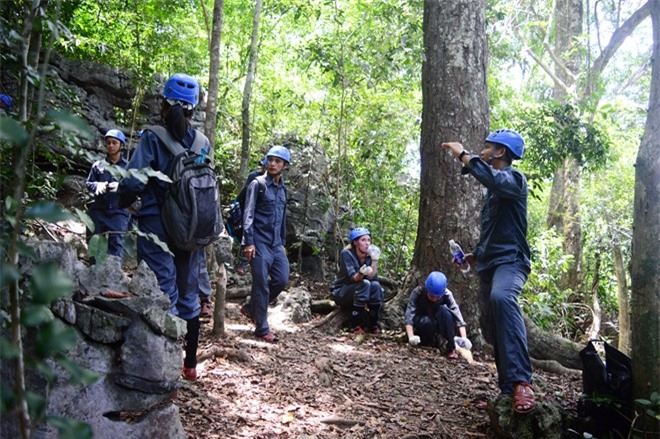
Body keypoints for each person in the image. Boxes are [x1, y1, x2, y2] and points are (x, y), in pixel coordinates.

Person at [118, 73, 209, 381]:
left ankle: (162, 369)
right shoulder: (203, 142)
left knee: (163, 289)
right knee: (188, 292)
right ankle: (190, 365)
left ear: (164, 104)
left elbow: (131, 180)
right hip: (192, 228)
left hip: (157, 222)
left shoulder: (153, 137)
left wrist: (124, 200)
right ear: (193, 108)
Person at [441, 128, 535, 413]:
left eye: (488, 147)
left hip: (511, 262)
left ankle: (522, 383)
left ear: (501, 152)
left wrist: (463, 155)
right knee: (492, 326)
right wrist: (473, 256)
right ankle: (507, 391)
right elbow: (493, 231)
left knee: (502, 299)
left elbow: (491, 177)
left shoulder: (514, 180)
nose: (483, 150)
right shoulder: (494, 194)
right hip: (489, 263)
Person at [240, 146, 291, 343]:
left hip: (276, 245)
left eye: (277, 161)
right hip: (258, 242)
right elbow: (248, 213)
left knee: (281, 278)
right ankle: (262, 328)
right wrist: (249, 242)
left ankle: (251, 307)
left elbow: (283, 218)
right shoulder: (257, 184)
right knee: (260, 283)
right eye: (270, 159)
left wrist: (283, 243)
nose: (272, 163)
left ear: (285, 166)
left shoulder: (282, 188)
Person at [85, 129, 131, 261]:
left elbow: (134, 188)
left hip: (119, 212)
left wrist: (120, 187)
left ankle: (114, 277)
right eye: (108, 143)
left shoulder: (128, 167)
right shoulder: (98, 165)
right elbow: (88, 183)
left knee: (116, 247)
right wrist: (97, 186)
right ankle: (93, 273)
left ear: (121, 145)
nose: (110, 145)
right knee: (94, 245)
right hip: (98, 210)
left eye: (114, 143)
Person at [404, 271, 471, 359]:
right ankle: (433, 341)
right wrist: (411, 337)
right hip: (423, 323)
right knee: (427, 322)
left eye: (438, 297)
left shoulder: (447, 294)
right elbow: (409, 315)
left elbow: (458, 316)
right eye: (432, 296)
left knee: (445, 311)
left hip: (439, 322)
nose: (435, 299)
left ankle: (451, 347)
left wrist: (464, 338)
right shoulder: (418, 292)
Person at [331, 227, 383, 334]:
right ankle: (355, 325)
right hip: (342, 292)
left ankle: (373, 324)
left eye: (369, 240)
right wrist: (361, 273)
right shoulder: (347, 253)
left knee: (376, 286)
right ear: (355, 242)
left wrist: (374, 260)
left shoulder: (369, 255)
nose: (367, 243)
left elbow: (372, 278)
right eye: (363, 240)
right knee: (364, 284)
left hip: (361, 291)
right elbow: (354, 278)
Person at [234, 155, 268, 275]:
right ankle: (243, 264)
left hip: (261, 215)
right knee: (247, 235)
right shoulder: (255, 177)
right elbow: (247, 196)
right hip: (248, 210)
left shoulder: (274, 180)